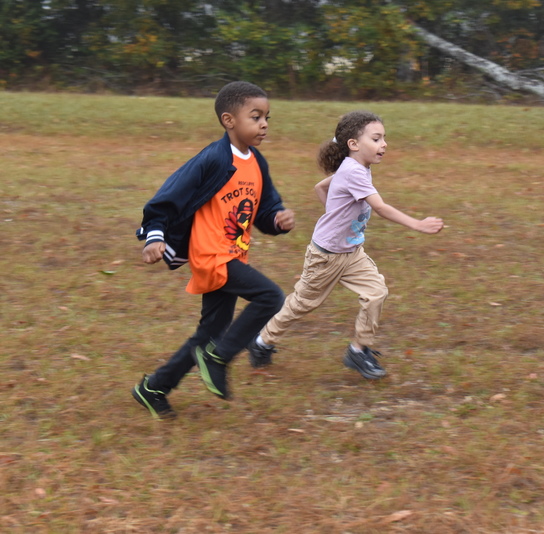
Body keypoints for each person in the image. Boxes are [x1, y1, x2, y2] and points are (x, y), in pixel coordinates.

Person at [131, 81, 295, 418]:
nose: (264, 124)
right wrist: (154, 238)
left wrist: (277, 220)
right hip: (210, 255)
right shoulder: (213, 159)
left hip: (233, 254)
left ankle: (154, 388)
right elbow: (165, 200)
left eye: (267, 117)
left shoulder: (257, 162)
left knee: (209, 333)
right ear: (228, 120)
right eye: (256, 116)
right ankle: (219, 358)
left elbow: (264, 210)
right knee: (271, 297)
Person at [246, 110, 443, 379]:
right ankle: (261, 342)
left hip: (351, 253)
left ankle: (358, 351)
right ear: (353, 144)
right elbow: (381, 208)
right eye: (376, 138)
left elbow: (321, 187)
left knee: (376, 293)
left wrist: (336, 215)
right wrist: (417, 224)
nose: (384, 144)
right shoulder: (353, 172)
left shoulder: (357, 168)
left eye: (384, 138)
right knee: (302, 304)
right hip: (325, 257)